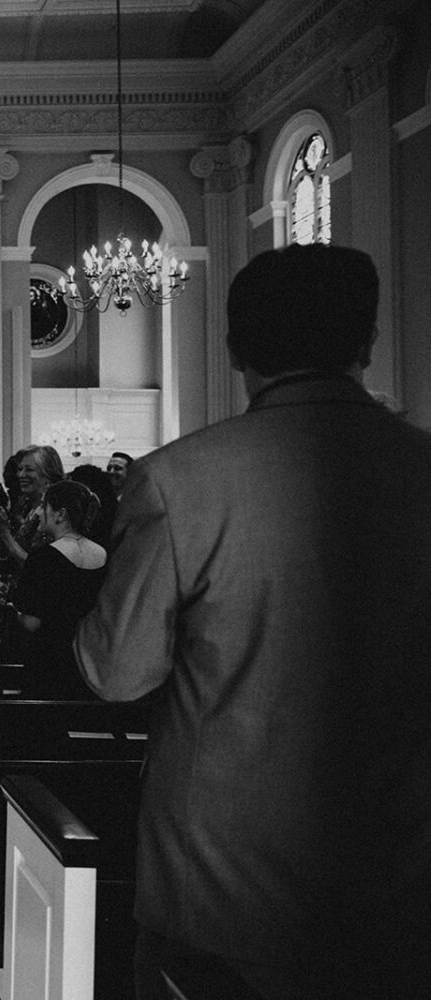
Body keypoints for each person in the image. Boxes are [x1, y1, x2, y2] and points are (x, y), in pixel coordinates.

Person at [75, 244, 431, 999]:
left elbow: (116, 673)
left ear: (236, 346)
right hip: (397, 879)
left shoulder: (180, 479)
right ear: (365, 342)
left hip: (223, 885)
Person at [7, 479, 105, 699]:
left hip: (49, 662)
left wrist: (14, 613)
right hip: (90, 662)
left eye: (43, 506)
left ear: (60, 514)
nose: (38, 513)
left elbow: (31, 622)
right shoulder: (105, 555)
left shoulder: (42, 559)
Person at [0, 444, 63, 566]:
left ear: (48, 476)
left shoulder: (55, 513)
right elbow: (12, 557)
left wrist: (4, 533)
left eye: (29, 469)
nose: (21, 475)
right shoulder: (25, 507)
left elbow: (36, 567)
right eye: (20, 469)